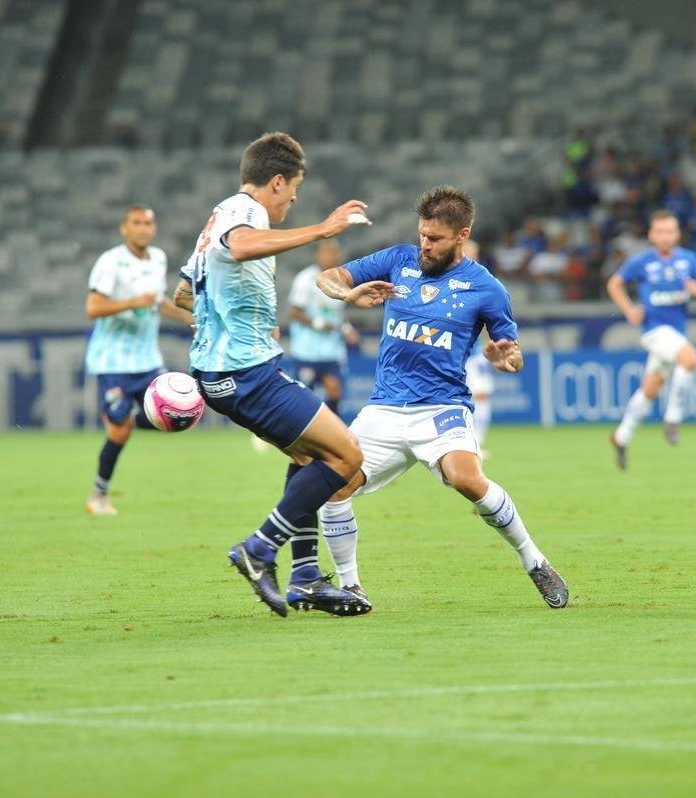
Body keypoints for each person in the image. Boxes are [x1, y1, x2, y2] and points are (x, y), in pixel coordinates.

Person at [313, 186, 569, 610]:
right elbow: (330, 278)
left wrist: (508, 357)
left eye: (435, 239)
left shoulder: (486, 288)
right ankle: (351, 586)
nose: (425, 245)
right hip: (385, 409)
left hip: (442, 407)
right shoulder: (397, 260)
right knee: (331, 484)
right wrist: (348, 294)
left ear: (462, 235)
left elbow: (513, 351)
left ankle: (535, 560)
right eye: (422, 235)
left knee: (467, 478)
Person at [172, 131, 372, 618]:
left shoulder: (215, 217)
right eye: (295, 188)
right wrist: (323, 230)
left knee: (310, 458)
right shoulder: (244, 213)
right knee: (348, 457)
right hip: (246, 372)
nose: (296, 198)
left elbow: (182, 294)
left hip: (226, 370)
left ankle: (305, 577)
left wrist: (216, 325)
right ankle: (260, 548)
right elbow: (240, 248)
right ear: (277, 181)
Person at [83, 204, 194, 517]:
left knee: (177, 416)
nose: (144, 228)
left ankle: (127, 418)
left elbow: (157, 301)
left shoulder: (157, 258)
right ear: (124, 228)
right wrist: (132, 302)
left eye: (148, 223)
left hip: (147, 360)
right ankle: (98, 495)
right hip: (112, 362)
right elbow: (93, 307)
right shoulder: (111, 262)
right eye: (137, 223)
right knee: (118, 433)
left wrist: (187, 317)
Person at [606, 210, 696, 470]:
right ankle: (673, 419)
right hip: (654, 331)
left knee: (651, 389)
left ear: (677, 234)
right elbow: (614, 284)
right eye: (660, 232)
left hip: (676, 333)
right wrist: (630, 310)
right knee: (691, 359)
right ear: (651, 235)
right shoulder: (642, 261)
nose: (665, 237)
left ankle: (621, 436)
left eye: (670, 232)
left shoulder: (689, 259)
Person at [286, 240, 360, 415]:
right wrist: (318, 323)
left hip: (332, 351)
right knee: (304, 396)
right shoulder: (306, 279)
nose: (331, 256)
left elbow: (339, 313)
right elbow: (294, 312)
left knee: (335, 390)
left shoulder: (342, 279)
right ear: (318, 255)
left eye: (334, 252)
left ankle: (330, 432)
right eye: (327, 252)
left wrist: (348, 330)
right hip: (307, 350)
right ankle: (298, 431)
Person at [461, 240, 493, 455]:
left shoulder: (482, 282)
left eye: (475, 254)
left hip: (474, 353)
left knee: (482, 394)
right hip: (453, 354)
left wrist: (494, 342)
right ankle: (464, 444)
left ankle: (477, 444)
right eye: (469, 253)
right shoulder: (450, 282)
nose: (473, 258)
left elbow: (491, 316)